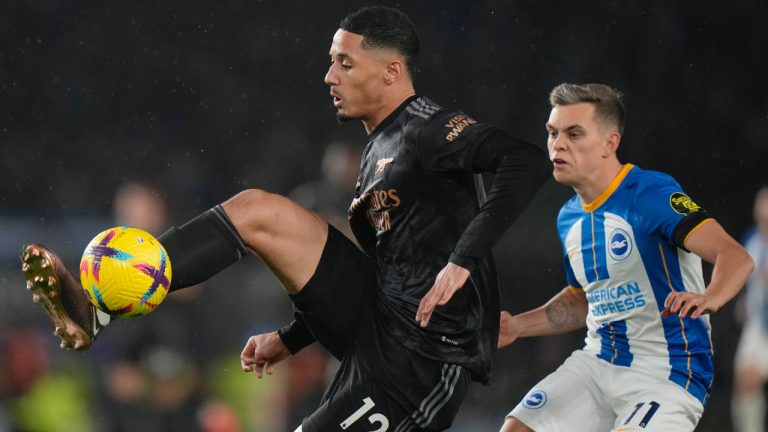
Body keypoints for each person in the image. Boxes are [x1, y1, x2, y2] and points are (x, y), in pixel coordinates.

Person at [20, 6, 550, 431]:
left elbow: (524, 160)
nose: (329, 76)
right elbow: (388, 265)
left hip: (422, 362)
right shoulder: (377, 152)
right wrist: (294, 337)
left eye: (344, 62)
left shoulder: (428, 128)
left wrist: (463, 259)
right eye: (331, 61)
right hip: (381, 321)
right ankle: (100, 310)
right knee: (257, 210)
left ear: (392, 70)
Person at [497, 83, 754, 432]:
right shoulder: (569, 218)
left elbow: (735, 255)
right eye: (553, 133)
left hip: (667, 371)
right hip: (597, 363)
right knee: (516, 428)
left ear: (609, 143)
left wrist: (711, 296)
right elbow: (585, 300)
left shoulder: (650, 193)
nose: (558, 144)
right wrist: (517, 326)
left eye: (574, 133)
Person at [732, 186, 768, 432]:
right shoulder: (752, 239)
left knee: (753, 377)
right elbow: (744, 275)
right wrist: (742, 301)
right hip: (756, 321)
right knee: (744, 382)